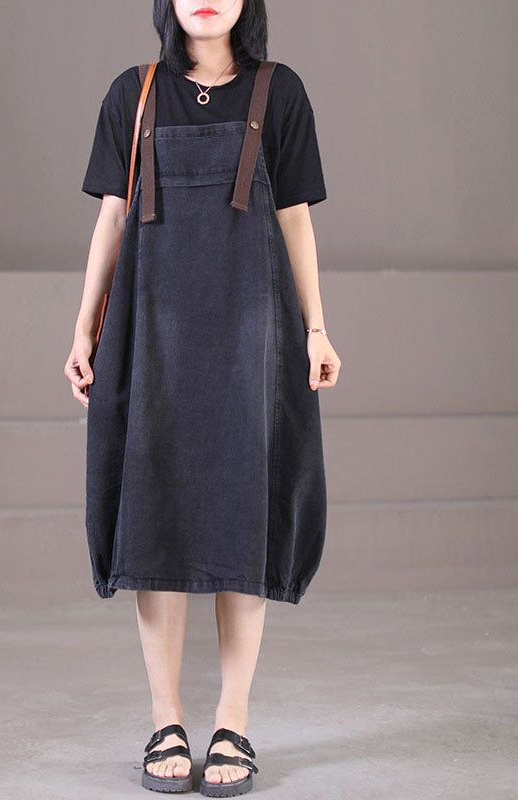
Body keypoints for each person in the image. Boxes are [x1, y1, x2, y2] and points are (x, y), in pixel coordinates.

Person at [64, 0, 341, 795]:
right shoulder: (133, 93)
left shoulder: (280, 92)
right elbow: (113, 217)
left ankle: (233, 723)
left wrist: (317, 329)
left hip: (251, 334)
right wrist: (83, 327)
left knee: (241, 520)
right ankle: (166, 719)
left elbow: (294, 219)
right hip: (152, 332)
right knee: (155, 515)